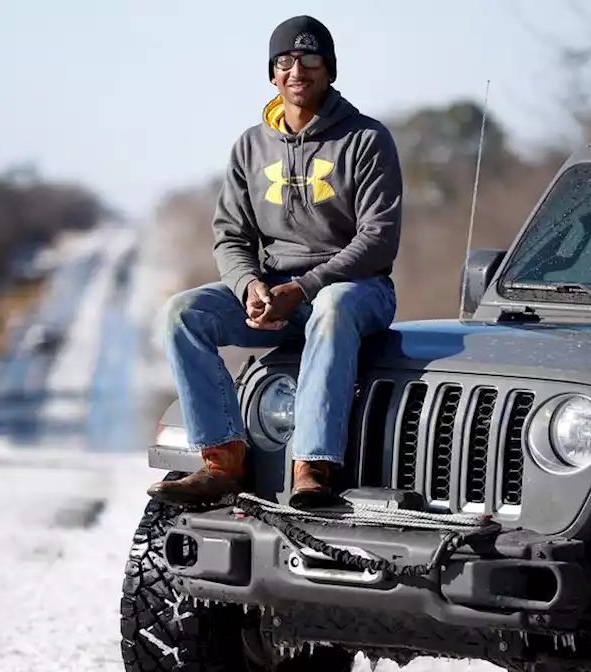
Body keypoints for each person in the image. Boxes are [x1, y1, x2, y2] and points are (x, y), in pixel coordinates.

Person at [147, 14, 403, 508]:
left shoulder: (367, 139)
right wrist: (250, 287)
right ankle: (223, 461)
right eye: (285, 61)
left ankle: (313, 466)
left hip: (357, 290)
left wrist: (302, 289)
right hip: (273, 292)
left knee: (331, 307)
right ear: (272, 73)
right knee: (184, 313)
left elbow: (379, 239)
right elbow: (230, 235)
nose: (296, 70)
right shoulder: (250, 146)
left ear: (329, 69)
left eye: (309, 59)